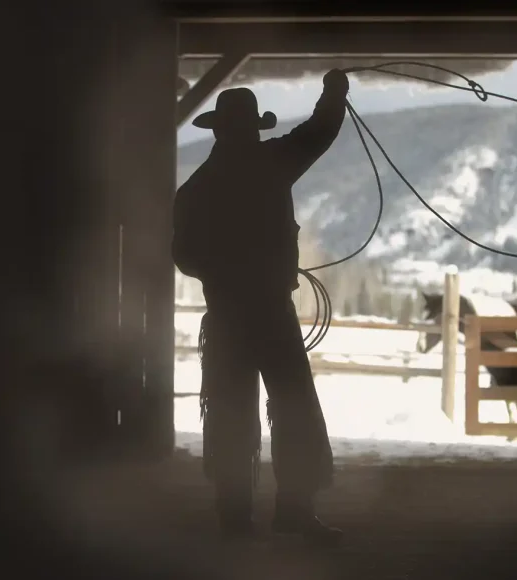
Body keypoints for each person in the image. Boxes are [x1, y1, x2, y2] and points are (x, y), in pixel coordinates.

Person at [172, 69, 349, 544]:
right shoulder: (273, 161)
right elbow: (320, 131)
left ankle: (234, 516)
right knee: (292, 407)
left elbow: (183, 254)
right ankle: (294, 512)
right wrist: (334, 92)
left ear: (217, 130)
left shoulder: (195, 189)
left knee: (230, 410)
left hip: (228, 315)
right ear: (253, 127)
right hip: (271, 312)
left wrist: (223, 271)